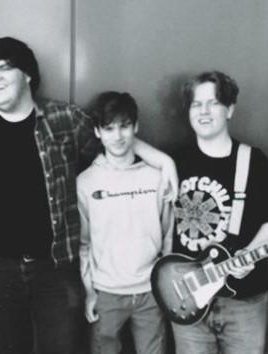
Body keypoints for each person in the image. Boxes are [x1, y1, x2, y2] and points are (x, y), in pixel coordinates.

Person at [0, 37, 177, 354]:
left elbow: (113, 141)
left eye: (5, 68)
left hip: (54, 267)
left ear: (27, 75)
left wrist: (162, 160)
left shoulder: (64, 119)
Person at [167, 71, 268, 354]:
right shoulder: (175, 161)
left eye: (213, 103)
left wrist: (249, 252)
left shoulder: (253, 161)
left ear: (230, 109)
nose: (204, 111)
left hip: (244, 301)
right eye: (196, 104)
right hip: (188, 294)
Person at [78, 91, 173, 354]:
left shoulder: (157, 178)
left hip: (151, 291)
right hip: (106, 292)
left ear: (136, 127)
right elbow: (84, 244)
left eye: (124, 126)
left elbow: (168, 237)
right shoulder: (85, 183)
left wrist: (164, 285)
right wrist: (89, 292)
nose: (117, 136)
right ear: (97, 132)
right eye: (108, 128)